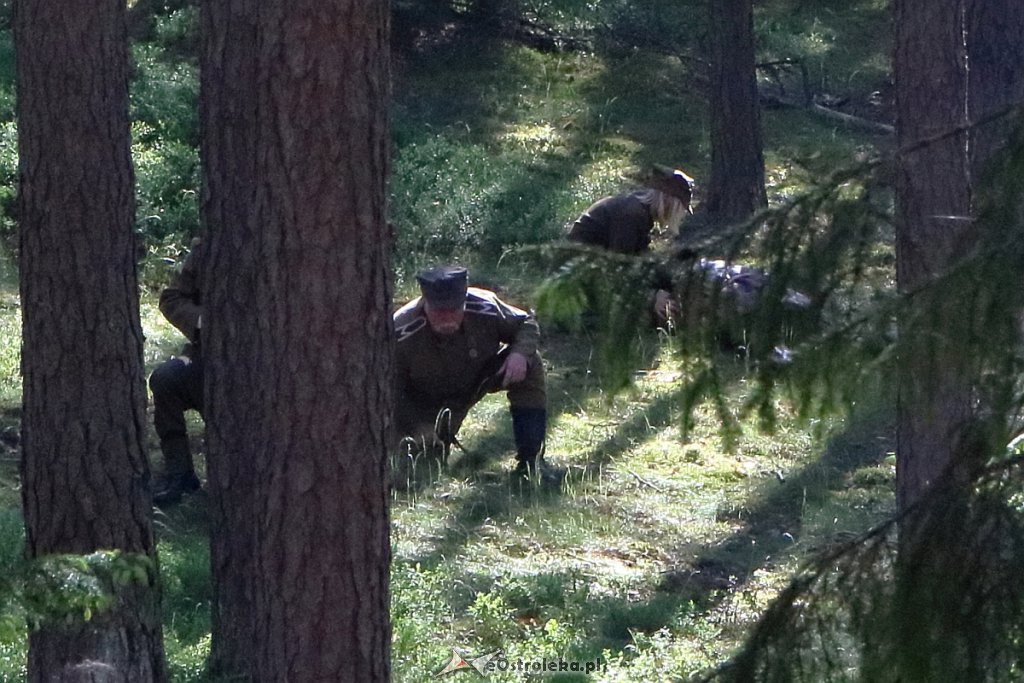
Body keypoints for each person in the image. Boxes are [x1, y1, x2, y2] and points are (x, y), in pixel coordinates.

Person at [392, 266, 549, 478]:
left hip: (477, 380)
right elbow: (390, 393)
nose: (447, 319)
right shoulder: (401, 330)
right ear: (425, 304)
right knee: (419, 471)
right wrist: (420, 430)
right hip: (424, 405)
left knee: (530, 363)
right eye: (439, 312)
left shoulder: (485, 306)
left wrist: (519, 354)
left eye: (454, 311)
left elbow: (525, 323)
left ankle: (531, 460)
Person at [566, 164, 694, 321]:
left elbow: (640, 259)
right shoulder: (631, 216)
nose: (680, 216)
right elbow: (618, 273)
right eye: (681, 209)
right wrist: (652, 299)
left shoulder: (639, 210)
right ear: (670, 203)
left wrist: (666, 283)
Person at [148, 238, 205, 505]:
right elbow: (172, 297)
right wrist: (201, 320)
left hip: (266, 368)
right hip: (207, 358)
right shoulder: (209, 245)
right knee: (165, 380)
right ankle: (180, 473)